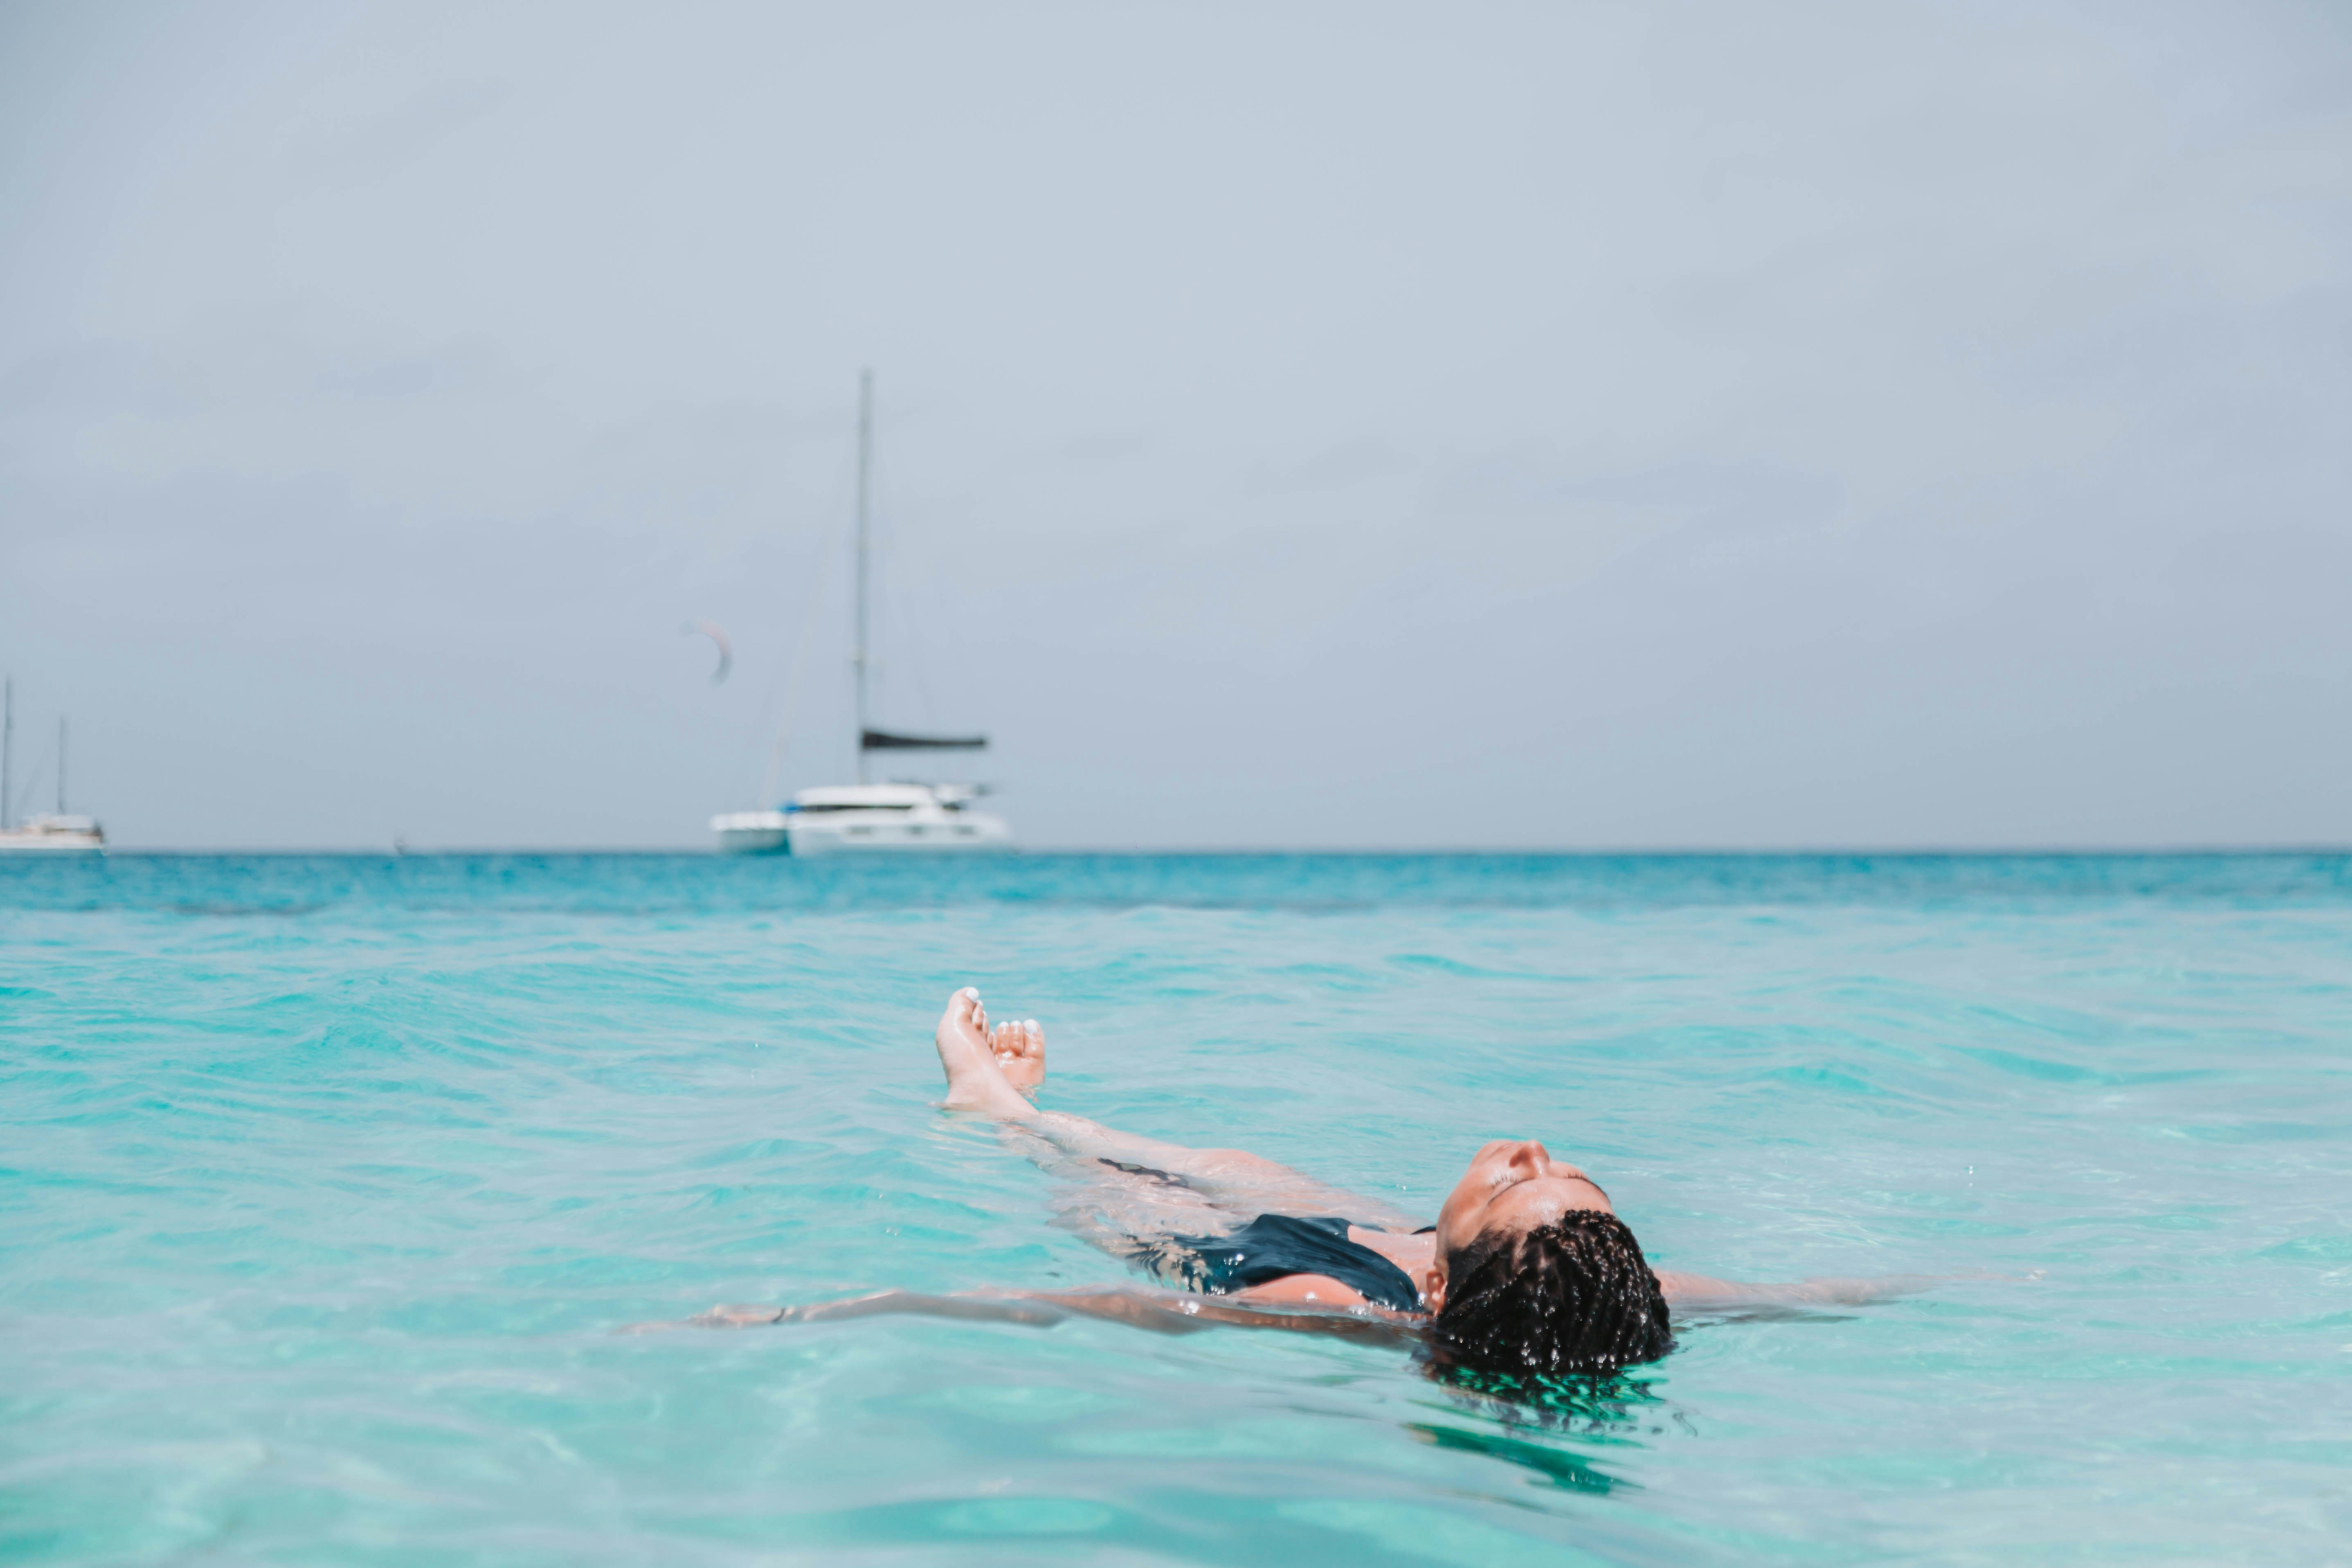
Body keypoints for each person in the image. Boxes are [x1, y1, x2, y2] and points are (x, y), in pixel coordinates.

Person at [650, 988, 1932, 1377]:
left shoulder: (1333, 1307)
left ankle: (999, 1117)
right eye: (1571, 1180)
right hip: (1386, 1237)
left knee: (1155, 1201)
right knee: (1253, 1167)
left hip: (1275, 1265)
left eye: (1517, 1186)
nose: (1535, 1155)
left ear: (1458, 1268)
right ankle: (1031, 1108)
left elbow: (1075, 1309)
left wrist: (814, 1316)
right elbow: (1792, 1292)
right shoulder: (1621, 1292)